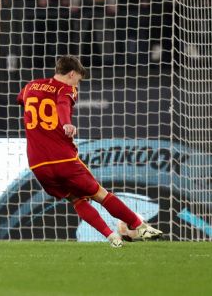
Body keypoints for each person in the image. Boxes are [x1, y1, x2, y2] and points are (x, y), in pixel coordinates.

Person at [16, 55, 163, 247]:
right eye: (78, 79)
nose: (78, 83)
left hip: (37, 164)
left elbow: (21, 100)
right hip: (62, 159)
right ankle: (140, 226)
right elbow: (62, 104)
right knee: (100, 194)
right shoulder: (67, 89)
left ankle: (112, 238)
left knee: (76, 200)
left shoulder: (30, 87)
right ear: (71, 74)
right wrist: (67, 123)